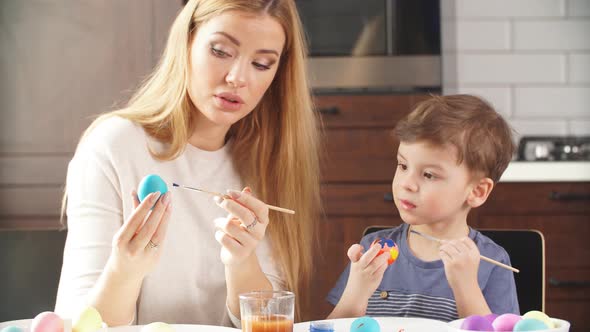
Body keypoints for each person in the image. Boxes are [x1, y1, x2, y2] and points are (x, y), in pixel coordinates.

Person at [55, 0, 320, 327]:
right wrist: (126, 271)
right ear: (187, 42)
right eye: (221, 51)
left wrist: (242, 262)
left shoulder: (268, 162)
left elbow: (268, 324)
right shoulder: (113, 146)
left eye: (262, 63)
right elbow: (80, 324)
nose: (238, 77)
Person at [326, 95, 519, 322]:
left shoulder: (491, 261)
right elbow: (330, 327)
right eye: (403, 165)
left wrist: (466, 287)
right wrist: (356, 292)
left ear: (476, 191)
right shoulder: (372, 250)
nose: (407, 183)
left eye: (428, 174)